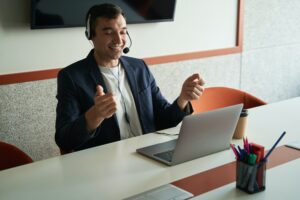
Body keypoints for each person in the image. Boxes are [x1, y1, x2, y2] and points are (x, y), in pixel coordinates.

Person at [55, 3, 205, 153]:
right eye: (109, 32)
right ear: (91, 36)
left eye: (122, 32)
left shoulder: (139, 67)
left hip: (148, 153)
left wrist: (183, 99)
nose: (118, 40)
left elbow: (163, 120)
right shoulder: (71, 77)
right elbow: (64, 139)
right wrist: (95, 115)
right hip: (105, 163)